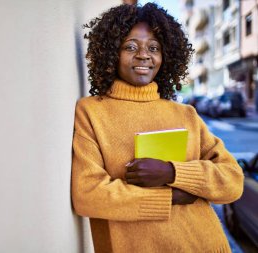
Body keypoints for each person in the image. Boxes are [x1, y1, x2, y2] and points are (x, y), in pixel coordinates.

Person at [71, 3, 244, 253]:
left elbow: (233, 181)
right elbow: (88, 195)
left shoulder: (186, 114)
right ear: (111, 53)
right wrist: (172, 196)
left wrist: (172, 173)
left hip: (204, 244)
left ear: (165, 56)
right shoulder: (92, 112)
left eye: (154, 48)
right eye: (130, 46)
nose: (144, 55)